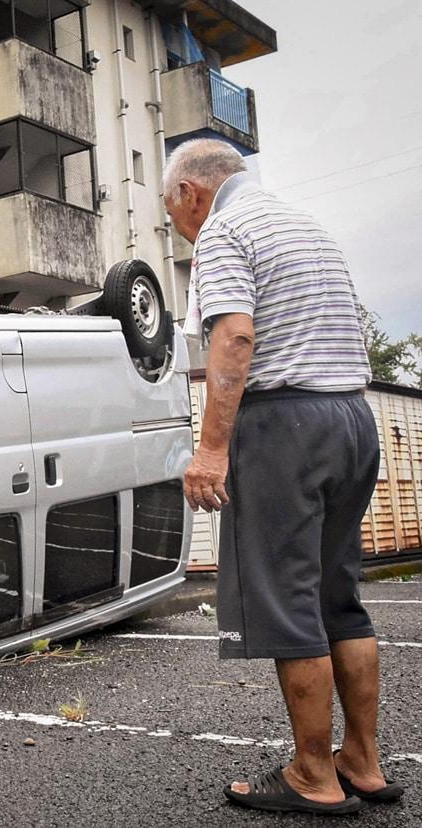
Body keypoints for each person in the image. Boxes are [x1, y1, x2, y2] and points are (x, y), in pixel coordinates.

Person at [163, 138, 403, 816]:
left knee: (288, 600)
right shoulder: (302, 223)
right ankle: (361, 762)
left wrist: (211, 450)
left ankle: (312, 775)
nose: (178, 225)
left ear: (190, 193)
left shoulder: (225, 230)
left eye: (170, 210)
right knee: (337, 599)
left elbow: (235, 336)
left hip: (286, 423)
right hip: (350, 417)